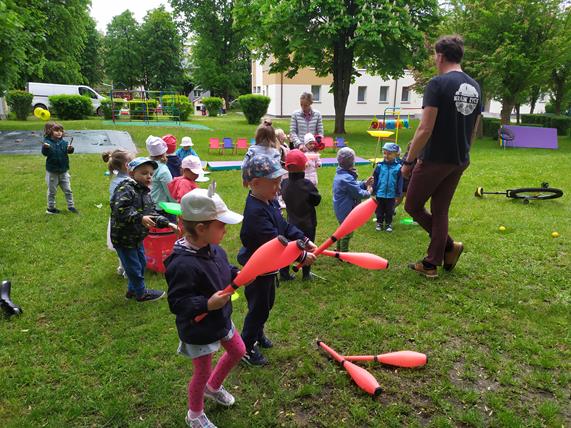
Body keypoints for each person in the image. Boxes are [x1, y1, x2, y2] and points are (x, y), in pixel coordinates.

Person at [165, 184, 245, 428]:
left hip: (221, 319)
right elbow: (178, 303)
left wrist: (237, 274)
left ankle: (214, 386)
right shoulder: (182, 264)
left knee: (238, 351)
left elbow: (223, 269)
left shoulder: (215, 249)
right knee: (201, 373)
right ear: (201, 228)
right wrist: (207, 304)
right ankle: (195, 414)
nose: (226, 229)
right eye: (221, 225)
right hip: (199, 328)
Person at [401, 35, 481, 279]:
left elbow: (425, 129)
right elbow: (474, 128)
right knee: (440, 210)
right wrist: (464, 152)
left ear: (441, 56)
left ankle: (447, 246)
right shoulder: (476, 87)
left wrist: (409, 161)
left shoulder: (437, 84)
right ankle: (432, 262)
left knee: (412, 205)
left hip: (434, 159)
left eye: (435, 55)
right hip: (459, 160)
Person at [238, 154, 317, 365]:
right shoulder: (256, 213)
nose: (279, 187)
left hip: (269, 269)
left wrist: (303, 239)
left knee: (266, 305)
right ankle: (246, 347)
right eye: (274, 183)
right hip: (257, 271)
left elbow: (284, 227)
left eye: (279, 182)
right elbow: (275, 245)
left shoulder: (269, 202)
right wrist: (301, 255)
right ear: (256, 183)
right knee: (258, 309)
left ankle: (257, 334)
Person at [110, 157, 172, 302]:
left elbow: (151, 212)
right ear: (132, 174)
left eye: (151, 174)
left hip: (137, 237)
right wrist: (140, 217)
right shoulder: (125, 188)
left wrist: (166, 223)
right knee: (133, 267)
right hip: (124, 238)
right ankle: (141, 293)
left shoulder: (144, 191)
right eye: (144, 173)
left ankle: (132, 291)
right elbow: (120, 209)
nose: (148, 176)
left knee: (141, 263)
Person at [280, 150, 321, 281]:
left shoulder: (284, 183)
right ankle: (306, 274)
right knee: (308, 248)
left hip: (291, 223)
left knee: (289, 248)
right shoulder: (307, 184)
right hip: (308, 223)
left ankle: (284, 273)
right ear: (305, 166)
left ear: (287, 167)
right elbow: (317, 200)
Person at [332, 148, 373, 252]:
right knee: (347, 232)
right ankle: (343, 253)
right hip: (346, 209)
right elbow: (358, 193)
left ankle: (338, 249)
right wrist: (369, 191)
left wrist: (364, 184)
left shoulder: (341, 173)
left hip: (341, 207)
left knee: (342, 229)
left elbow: (353, 186)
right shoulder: (347, 178)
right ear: (352, 162)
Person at [102, 149, 135, 277]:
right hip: (128, 219)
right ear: (127, 165)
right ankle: (128, 271)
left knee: (122, 246)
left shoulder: (115, 180)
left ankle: (122, 267)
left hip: (116, 219)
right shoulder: (129, 182)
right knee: (129, 246)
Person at [41, 122, 78, 214]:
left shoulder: (64, 143)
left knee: (68, 190)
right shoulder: (47, 142)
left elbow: (69, 152)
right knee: (52, 191)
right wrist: (45, 148)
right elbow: (45, 153)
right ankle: (50, 208)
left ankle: (71, 206)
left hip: (64, 171)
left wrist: (70, 149)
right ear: (50, 132)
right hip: (52, 172)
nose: (59, 132)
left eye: (61, 131)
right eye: (56, 131)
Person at [372, 143, 403, 233]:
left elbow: (400, 181)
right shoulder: (380, 166)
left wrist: (398, 192)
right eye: (385, 153)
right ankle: (379, 223)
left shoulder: (398, 167)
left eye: (389, 154)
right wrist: (373, 189)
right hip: (380, 192)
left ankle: (388, 223)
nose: (386, 155)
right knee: (379, 209)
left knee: (390, 210)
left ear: (396, 155)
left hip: (391, 193)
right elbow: (375, 178)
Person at [146, 135, 176, 221]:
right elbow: (170, 192)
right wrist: (177, 206)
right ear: (164, 151)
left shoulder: (145, 164)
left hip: (147, 205)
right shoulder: (163, 170)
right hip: (162, 208)